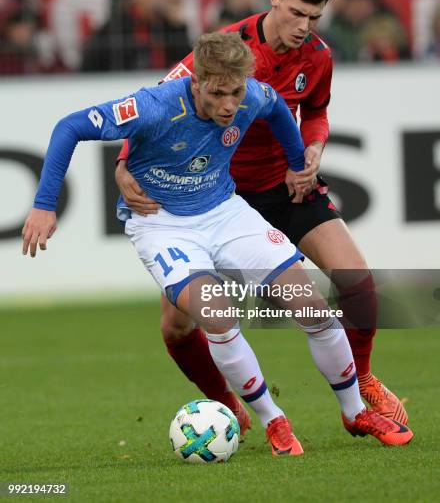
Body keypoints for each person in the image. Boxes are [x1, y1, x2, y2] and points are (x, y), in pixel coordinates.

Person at [22, 32, 412, 454]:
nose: (230, 104)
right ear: (196, 83)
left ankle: (355, 411)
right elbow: (70, 127)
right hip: (162, 224)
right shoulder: (154, 106)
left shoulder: (253, 95)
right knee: (218, 315)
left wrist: (298, 163)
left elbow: (280, 110)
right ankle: (274, 420)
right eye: (219, 93)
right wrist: (45, 204)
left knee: (311, 305)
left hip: (225, 212)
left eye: (236, 92)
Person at [115, 0, 409, 426]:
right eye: (296, 12)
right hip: (215, 197)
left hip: (283, 186)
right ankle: (226, 402)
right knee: (176, 326)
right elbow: (157, 100)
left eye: (314, 17)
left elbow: (315, 111)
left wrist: (313, 147)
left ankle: (365, 379)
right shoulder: (227, 49)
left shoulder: (318, 55)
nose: (303, 27)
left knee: (358, 280)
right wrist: (123, 161)